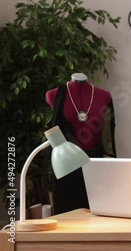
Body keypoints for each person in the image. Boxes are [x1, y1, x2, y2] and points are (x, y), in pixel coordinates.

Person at [46, 73, 116, 214]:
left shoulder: (104, 96)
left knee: (98, 221)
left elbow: (108, 137)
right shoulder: (54, 95)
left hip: (95, 168)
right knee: (65, 223)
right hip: (65, 167)